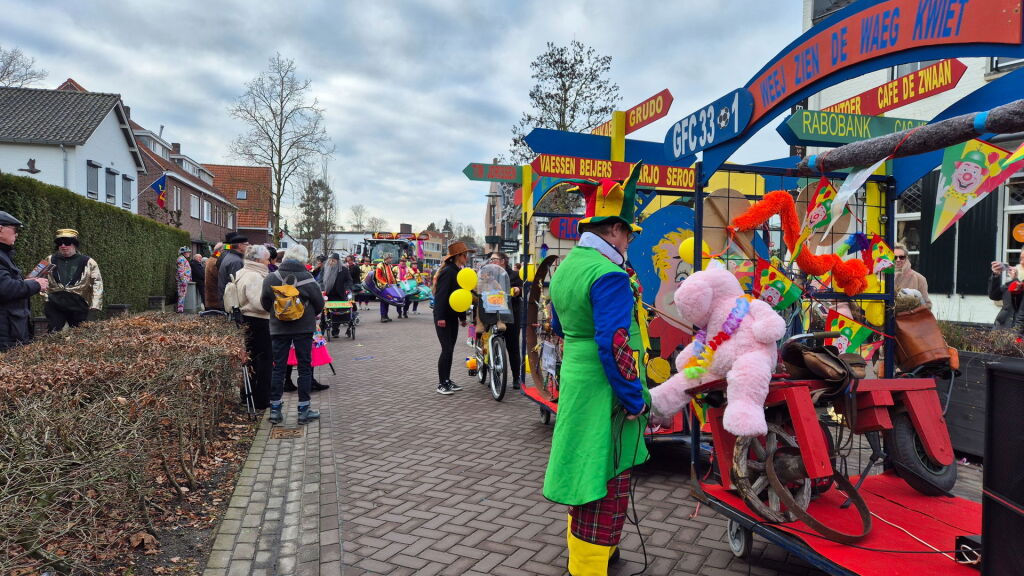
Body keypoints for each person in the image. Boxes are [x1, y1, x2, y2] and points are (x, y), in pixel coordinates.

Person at [543, 169, 650, 575]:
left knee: (583, 470)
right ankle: (589, 567)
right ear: (615, 231)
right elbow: (615, 343)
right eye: (629, 234)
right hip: (605, 389)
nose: (630, 242)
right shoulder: (609, 274)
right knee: (605, 479)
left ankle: (597, 557)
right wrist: (634, 399)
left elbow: (556, 325)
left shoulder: (569, 265)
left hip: (577, 379)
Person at [260, 243, 325, 425]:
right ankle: (304, 411)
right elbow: (319, 304)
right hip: (303, 329)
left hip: (278, 328)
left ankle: (275, 411)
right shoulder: (308, 278)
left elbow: (264, 301)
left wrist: (277, 314)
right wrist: (307, 314)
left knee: (278, 367)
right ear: (304, 259)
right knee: (305, 368)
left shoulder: (272, 277)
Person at [0, 211, 48, 351]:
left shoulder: (4, 254)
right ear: (0, 229)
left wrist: (27, 282)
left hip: (11, 329)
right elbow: (5, 288)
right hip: (5, 334)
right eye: (15, 230)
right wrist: (36, 284)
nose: (17, 234)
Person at [235, 244, 273, 409]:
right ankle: (261, 399)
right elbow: (259, 303)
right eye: (266, 258)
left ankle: (248, 395)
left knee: (251, 359)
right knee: (263, 360)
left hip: (248, 320)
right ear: (258, 259)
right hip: (259, 321)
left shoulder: (243, 272)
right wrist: (275, 304)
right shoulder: (255, 277)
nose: (268, 261)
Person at [433, 241, 473, 395]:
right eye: (465, 255)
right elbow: (441, 296)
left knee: (450, 350)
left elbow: (460, 297)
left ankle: (447, 380)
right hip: (443, 318)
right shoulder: (449, 271)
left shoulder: (458, 271)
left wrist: (462, 318)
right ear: (458, 256)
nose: (467, 257)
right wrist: (440, 317)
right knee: (446, 349)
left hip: (452, 318)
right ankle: (441, 383)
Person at [44, 229, 103, 332]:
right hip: (55, 302)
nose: (63, 246)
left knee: (80, 334)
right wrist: (45, 296)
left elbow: (97, 283)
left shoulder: (88, 262)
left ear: (74, 244)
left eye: (67, 242)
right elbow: (35, 277)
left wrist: (95, 304)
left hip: (78, 303)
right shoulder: (49, 260)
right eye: (59, 243)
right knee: (53, 332)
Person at [490, 252, 524, 389]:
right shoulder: (489, 275)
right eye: (490, 259)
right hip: (494, 314)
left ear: (503, 261)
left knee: (513, 347)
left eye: (494, 259)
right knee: (493, 344)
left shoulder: (514, 275)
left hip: (512, 315)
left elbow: (522, 289)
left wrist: (517, 289)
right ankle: (495, 375)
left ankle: (517, 378)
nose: (491, 261)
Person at [320, 253, 353, 337]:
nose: (331, 262)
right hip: (328, 294)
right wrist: (322, 289)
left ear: (338, 261)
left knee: (337, 314)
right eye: (330, 260)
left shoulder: (344, 270)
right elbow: (320, 281)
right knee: (325, 314)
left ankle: (335, 331)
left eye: (333, 260)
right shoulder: (325, 268)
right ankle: (321, 331)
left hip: (340, 295)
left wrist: (347, 289)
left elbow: (349, 281)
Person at [989, 253, 1024, 330]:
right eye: (1021, 259)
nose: (1021, 262)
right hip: (1001, 329)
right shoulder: (1014, 282)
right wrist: (996, 275)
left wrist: (1016, 280)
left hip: (1016, 333)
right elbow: (994, 295)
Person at [893, 243, 931, 309]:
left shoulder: (919, 279)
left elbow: (926, 304)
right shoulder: (882, 276)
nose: (898, 260)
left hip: (908, 318)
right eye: (895, 257)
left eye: (901, 257)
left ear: (906, 258)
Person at [218, 233, 250, 305]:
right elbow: (236, 283)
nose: (248, 247)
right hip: (231, 299)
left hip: (225, 295)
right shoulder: (235, 260)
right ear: (240, 245)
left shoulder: (227, 254)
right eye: (247, 245)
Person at [205, 241, 226, 312]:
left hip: (213, 297)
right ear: (221, 250)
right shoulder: (214, 261)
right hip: (214, 300)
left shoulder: (213, 258)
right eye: (224, 250)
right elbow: (220, 277)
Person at [376, 253, 397, 322]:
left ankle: (386, 315)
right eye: (390, 258)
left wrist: (395, 283)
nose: (391, 259)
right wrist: (385, 283)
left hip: (389, 286)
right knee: (383, 301)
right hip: (383, 286)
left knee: (387, 301)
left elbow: (391, 276)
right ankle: (382, 316)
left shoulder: (389, 266)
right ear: (386, 259)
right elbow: (378, 276)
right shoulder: (380, 265)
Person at [175, 247, 192, 313]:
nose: (189, 253)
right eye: (188, 252)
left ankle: (180, 309)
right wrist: (184, 280)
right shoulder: (181, 259)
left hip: (184, 280)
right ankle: (180, 310)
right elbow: (181, 271)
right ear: (184, 253)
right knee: (181, 295)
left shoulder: (183, 259)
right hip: (182, 281)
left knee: (182, 295)